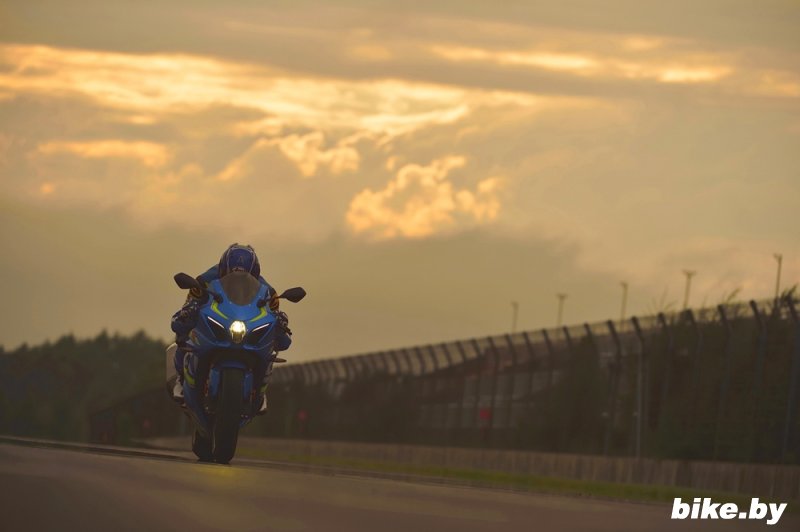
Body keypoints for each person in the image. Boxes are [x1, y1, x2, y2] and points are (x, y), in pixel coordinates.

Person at [170, 243, 291, 414]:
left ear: (254, 273)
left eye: (245, 274)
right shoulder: (204, 281)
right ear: (224, 269)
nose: (238, 277)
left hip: (245, 328)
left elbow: (273, 313)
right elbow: (189, 304)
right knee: (185, 331)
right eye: (233, 273)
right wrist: (189, 310)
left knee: (271, 349)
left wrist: (281, 321)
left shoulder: (269, 292)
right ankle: (181, 379)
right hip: (218, 321)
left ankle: (260, 391)